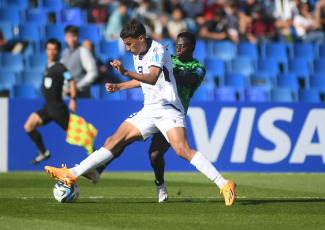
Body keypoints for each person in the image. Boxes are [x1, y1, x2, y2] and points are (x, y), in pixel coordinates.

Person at [45, 19, 236, 206]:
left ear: (141, 38)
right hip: (149, 110)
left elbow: (152, 78)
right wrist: (120, 86)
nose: (128, 49)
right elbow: (144, 79)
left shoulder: (159, 50)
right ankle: (72, 173)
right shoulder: (139, 52)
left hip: (169, 109)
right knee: (113, 141)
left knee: (181, 150)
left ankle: (224, 184)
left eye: (129, 44)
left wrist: (126, 72)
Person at [81, 31, 207, 203]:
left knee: (155, 154)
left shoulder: (197, 68)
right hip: (155, 109)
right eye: (176, 44)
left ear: (192, 47)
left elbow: (186, 79)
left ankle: (160, 186)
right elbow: (147, 78)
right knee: (122, 139)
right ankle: (98, 170)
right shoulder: (167, 58)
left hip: (172, 114)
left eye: (182, 45)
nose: (178, 48)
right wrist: (121, 86)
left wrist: (162, 65)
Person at [24, 39, 77, 165]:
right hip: (48, 107)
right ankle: (43, 152)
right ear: (46, 50)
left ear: (58, 51)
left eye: (54, 49)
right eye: (49, 49)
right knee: (29, 126)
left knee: (75, 136)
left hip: (58, 108)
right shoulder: (49, 67)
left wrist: (73, 99)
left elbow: (72, 81)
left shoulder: (60, 67)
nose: (51, 52)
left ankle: (96, 155)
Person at [61, 25, 98, 98]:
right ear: (65, 38)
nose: (72, 39)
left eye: (74, 36)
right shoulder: (64, 53)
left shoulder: (83, 51)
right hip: (67, 97)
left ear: (78, 37)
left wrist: (77, 87)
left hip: (81, 97)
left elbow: (93, 73)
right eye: (69, 37)